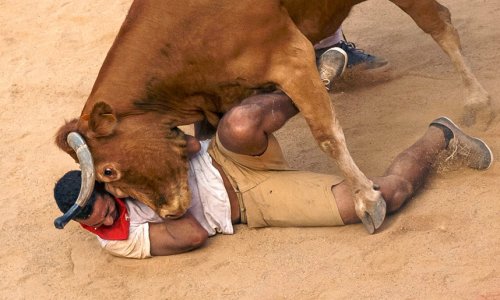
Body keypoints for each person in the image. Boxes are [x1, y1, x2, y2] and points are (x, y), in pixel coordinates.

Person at [53, 83, 493, 258]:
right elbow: (192, 236)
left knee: (241, 122)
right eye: (94, 223)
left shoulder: (120, 172)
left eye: (106, 209)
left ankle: (310, 80)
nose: (108, 219)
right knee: (380, 198)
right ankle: (443, 137)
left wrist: (172, 152)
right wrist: (162, 196)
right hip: (252, 202)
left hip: (222, 156)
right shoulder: (118, 241)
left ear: (105, 187)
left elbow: (186, 145)